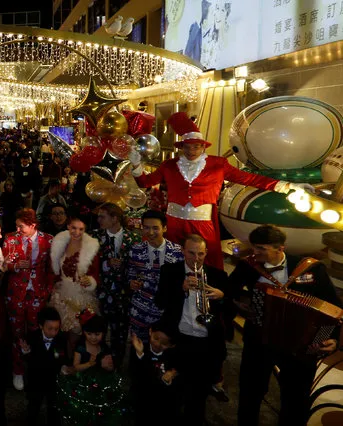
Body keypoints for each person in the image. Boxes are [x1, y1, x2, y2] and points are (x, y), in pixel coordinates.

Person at [131, 112, 314, 269]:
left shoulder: (218, 165)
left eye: (196, 146)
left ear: (203, 147)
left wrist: (288, 186)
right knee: (173, 259)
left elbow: (249, 178)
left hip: (202, 220)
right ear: (182, 147)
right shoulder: (170, 165)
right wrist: (135, 164)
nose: (191, 150)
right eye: (187, 146)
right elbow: (145, 182)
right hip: (174, 221)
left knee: (207, 258)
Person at [229, 225, 341, 426]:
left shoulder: (312, 268)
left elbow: (333, 308)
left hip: (299, 346)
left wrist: (334, 338)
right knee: (250, 393)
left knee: (296, 399)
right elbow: (230, 293)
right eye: (254, 247)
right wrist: (247, 304)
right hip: (259, 341)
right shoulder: (248, 266)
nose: (255, 252)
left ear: (280, 248)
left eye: (261, 248)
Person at [155, 234, 228, 426]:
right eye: (191, 253)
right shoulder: (169, 271)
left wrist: (221, 297)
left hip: (206, 341)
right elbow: (160, 302)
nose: (196, 259)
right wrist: (182, 289)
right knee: (175, 387)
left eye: (201, 254)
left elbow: (229, 311)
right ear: (183, 251)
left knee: (200, 390)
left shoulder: (218, 275)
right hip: (179, 338)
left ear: (206, 253)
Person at [2, 208, 54, 391]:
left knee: (35, 332)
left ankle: (34, 367)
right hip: (16, 293)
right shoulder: (10, 238)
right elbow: (3, 263)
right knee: (16, 331)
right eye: (16, 226)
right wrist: (14, 266)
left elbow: (52, 268)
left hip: (38, 294)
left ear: (33, 226)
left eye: (21, 227)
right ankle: (17, 370)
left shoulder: (48, 241)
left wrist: (47, 291)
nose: (18, 230)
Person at [57, 310, 127, 425]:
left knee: (102, 404)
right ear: (84, 332)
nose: (93, 338)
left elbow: (110, 367)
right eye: (89, 334)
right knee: (83, 407)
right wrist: (89, 364)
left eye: (97, 334)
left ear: (103, 333)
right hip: (83, 381)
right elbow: (75, 367)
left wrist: (108, 367)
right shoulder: (81, 348)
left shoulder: (104, 347)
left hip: (101, 381)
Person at [91, 202, 140, 367]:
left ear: (115, 218)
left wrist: (124, 266)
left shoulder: (133, 238)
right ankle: (98, 362)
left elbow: (138, 265)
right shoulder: (94, 237)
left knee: (120, 333)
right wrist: (105, 262)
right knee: (99, 331)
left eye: (102, 216)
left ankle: (117, 365)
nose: (98, 220)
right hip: (102, 293)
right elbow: (89, 263)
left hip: (124, 294)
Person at [128, 210, 183, 342]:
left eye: (155, 228)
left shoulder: (178, 252)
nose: (150, 232)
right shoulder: (135, 250)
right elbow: (129, 276)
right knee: (139, 352)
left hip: (167, 314)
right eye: (146, 227)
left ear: (164, 228)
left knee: (164, 353)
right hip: (140, 312)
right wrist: (132, 283)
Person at [49, 213, 100, 344]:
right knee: (59, 331)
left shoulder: (91, 247)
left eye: (81, 229)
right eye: (73, 228)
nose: (76, 232)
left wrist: (90, 280)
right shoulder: (59, 242)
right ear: (68, 226)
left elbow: (96, 273)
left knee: (77, 331)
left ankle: (75, 359)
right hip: (60, 294)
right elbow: (53, 269)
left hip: (81, 295)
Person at [20, 307, 71, 425]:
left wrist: (64, 366)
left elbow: (63, 357)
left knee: (54, 409)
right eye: (50, 328)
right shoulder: (32, 337)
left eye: (56, 329)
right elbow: (27, 360)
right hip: (35, 380)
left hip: (53, 380)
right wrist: (26, 352)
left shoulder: (61, 339)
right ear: (41, 326)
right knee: (33, 407)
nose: (53, 332)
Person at [130, 320, 179, 426]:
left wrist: (171, 376)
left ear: (172, 345)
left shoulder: (172, 356)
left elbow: (177, 376)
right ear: (150, 332)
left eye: (165, 343)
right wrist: (140, 354)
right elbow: (137, 375)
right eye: (155, 338)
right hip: (143, 401)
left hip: (164, 404)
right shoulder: (140, 349)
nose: (158, 344)